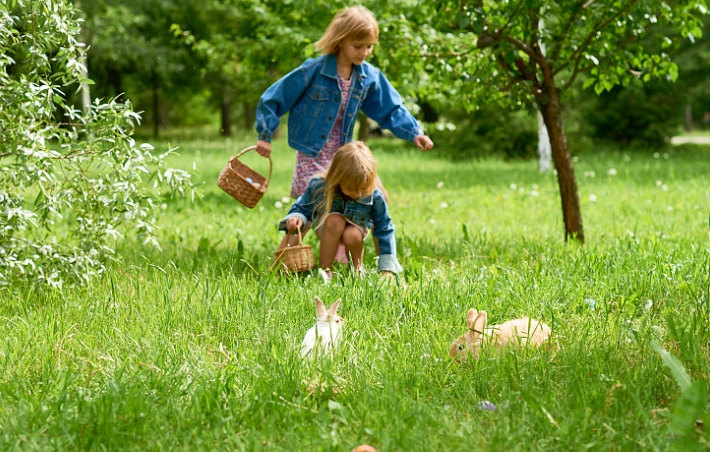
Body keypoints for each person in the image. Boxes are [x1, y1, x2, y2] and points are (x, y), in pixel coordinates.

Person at [254, 6, 433, 259]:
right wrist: (265, 134)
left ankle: (374, 258)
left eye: (369, 46)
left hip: (343, 155)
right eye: (358, 46)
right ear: (341, 40)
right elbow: (274, 97)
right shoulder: (313, 71)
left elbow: (390, 107)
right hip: (312, 153)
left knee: (376, 195)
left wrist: (414, 132)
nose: (365, 52)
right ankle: (284, 260)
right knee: (309, 207)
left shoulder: (367, 77)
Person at [278, 142, 401, 280]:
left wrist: (386, 268)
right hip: (328, 227)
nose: (358, 194)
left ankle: (356, 270)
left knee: (352, 234)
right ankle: (325, 271)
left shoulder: (375, 196)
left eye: (362, 188)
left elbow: (384, 228)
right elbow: (303, 206)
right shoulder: (320, 186)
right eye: (352, 188)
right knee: (335, 220)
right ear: (338, 178)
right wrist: (297, 217)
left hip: (356, 230)